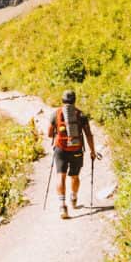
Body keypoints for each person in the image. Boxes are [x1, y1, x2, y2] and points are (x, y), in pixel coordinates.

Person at [48, 89, 99, 219]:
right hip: (76, 150)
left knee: (61, 176)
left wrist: (56, 133)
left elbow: (49, 134)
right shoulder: (81, 115)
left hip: (60, 149)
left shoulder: (55, 114)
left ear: (62, 100)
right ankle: (73, 197)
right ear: (74, 100)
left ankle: (62, 205)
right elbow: (88, 134)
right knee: (75, 176)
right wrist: (92, 151)